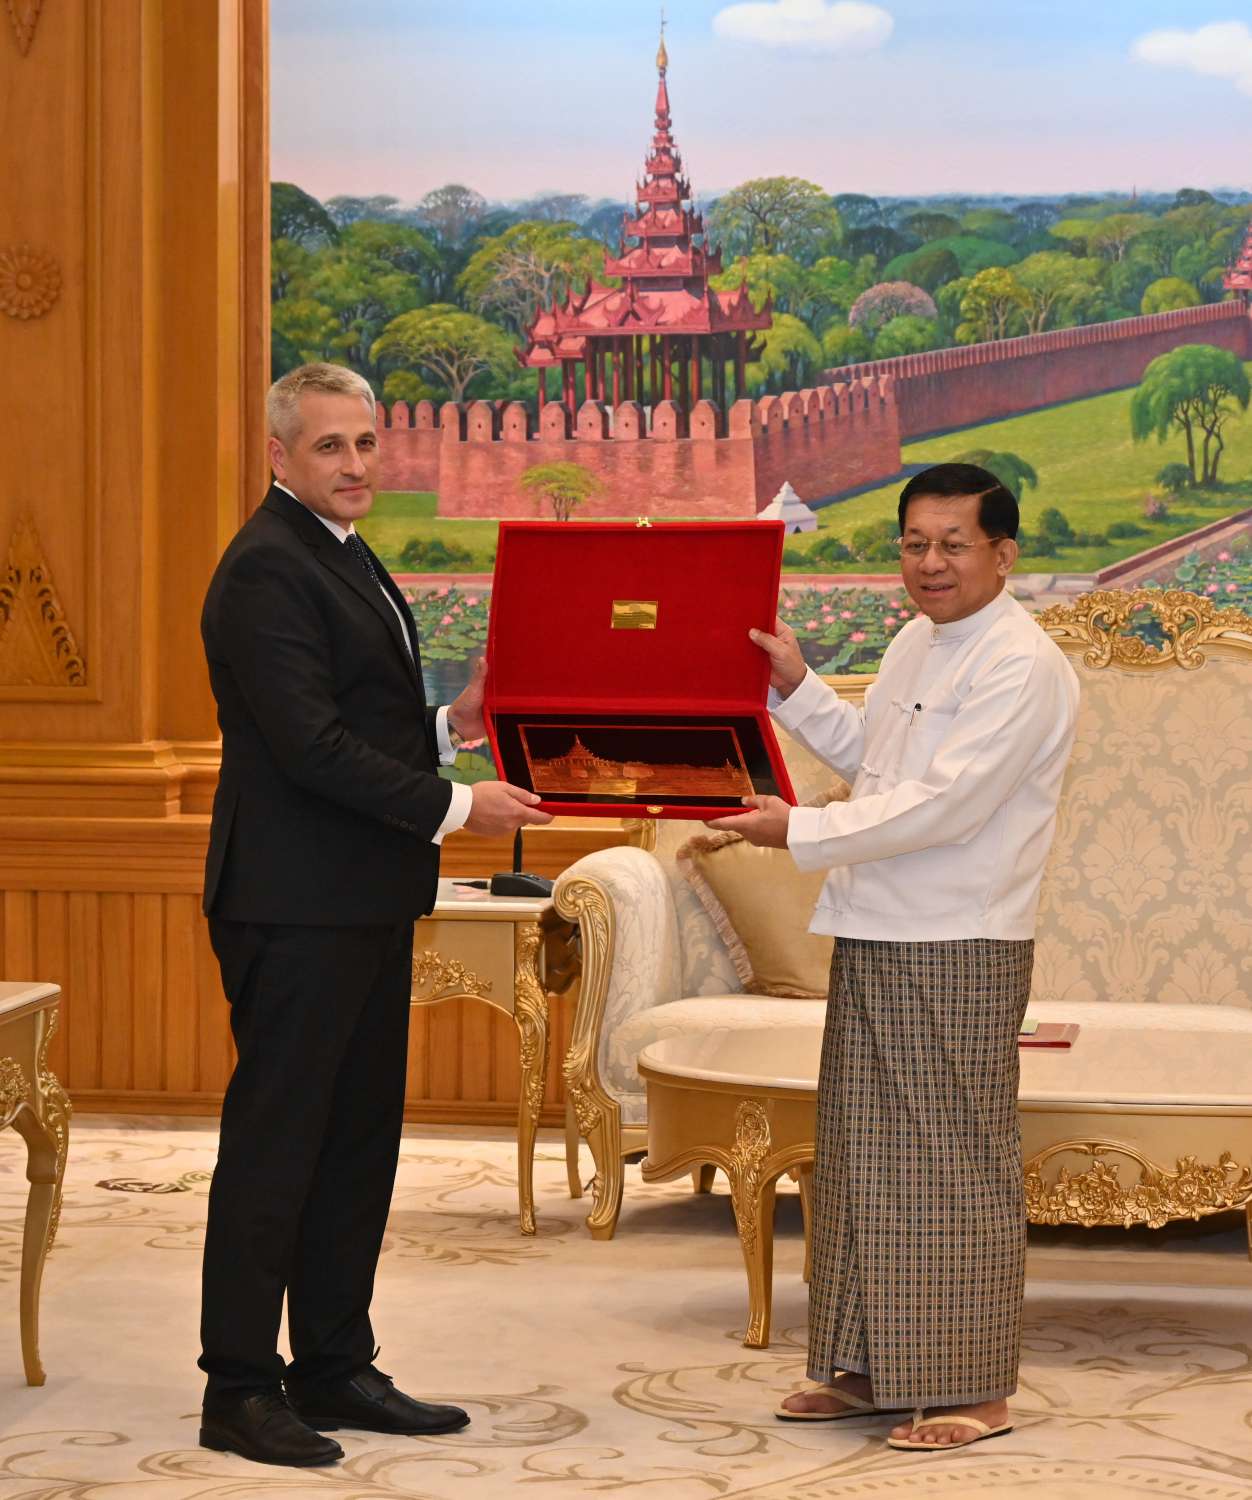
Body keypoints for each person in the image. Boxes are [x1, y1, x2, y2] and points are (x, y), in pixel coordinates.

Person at [197, 362, 551, 1468]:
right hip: (292, 906)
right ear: (277, 456)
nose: (355, 465)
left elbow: (359, 719)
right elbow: (308, 750)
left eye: (365, 443)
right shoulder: (264, 568)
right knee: (278, 1147)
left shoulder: (338, 552)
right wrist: (459, 805)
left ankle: (335, 1366)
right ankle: (240, 1387)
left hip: (357, 901)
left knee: (355, 1143)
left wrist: (452, 722)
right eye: (329, 447)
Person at [709, 462, 1079, 1454]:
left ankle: (974, 1388)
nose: (929, 562)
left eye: (953, 544)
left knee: (951, 1164)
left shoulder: (1021, 664)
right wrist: (793, 687)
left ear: (1004, 553)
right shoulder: (919, 639)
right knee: (866, 1161)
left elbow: (945, 804)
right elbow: (875, 757)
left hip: (958, 934)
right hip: (876, 923)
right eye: (914, 543)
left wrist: (794, 832)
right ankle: (867, 1367)